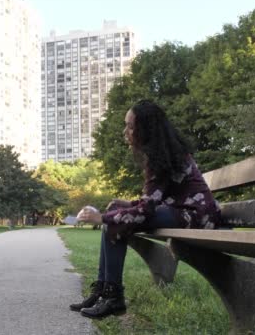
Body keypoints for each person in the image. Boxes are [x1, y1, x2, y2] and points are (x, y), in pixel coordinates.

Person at [71, 100, 220, 319]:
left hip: (197, 216)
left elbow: (146, 211)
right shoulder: (162, 154)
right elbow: (150, 202)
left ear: (146, 130)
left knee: (114, 220)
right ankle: (103, 290)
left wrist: (101, 217)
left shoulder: (164, 157)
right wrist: (111, 212)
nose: (125, 131)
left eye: (130, 126)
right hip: (179, 210)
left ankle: (113, 298)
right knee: (115, 209)